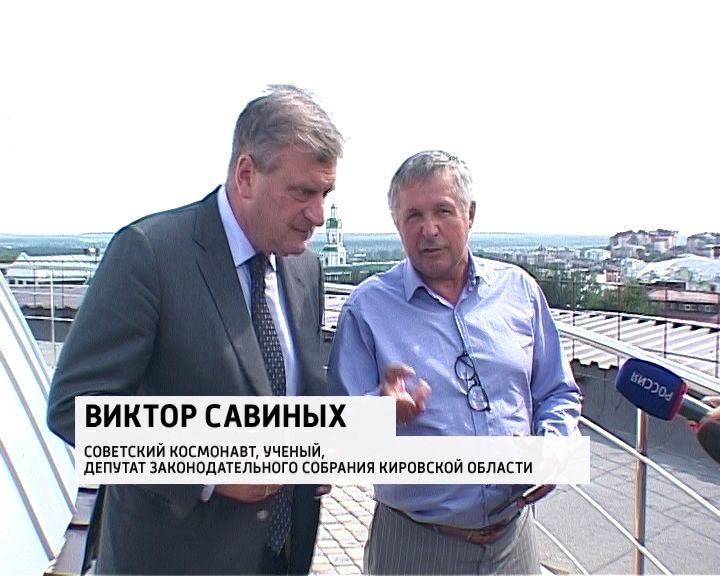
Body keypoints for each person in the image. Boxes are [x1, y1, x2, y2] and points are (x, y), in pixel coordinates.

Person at [46, 85, 344, 575]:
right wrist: (209, 471)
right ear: (246, 174)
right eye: (302, 193)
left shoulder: (304, 269)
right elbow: (75, 409)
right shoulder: (150, 254)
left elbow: (289, 398)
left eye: (325, 194)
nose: (317, 214)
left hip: (281, 558)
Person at [328, 150, 582, 575]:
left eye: (443, 211)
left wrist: (554, 445)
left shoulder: (519, 291)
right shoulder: (366, 309)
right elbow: (338, 436)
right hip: (415, 547)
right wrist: (377, 412)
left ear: (470, 214)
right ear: (396, 224)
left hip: (514, 541)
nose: (429, 230)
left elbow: (557, 391)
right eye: (413, 216)